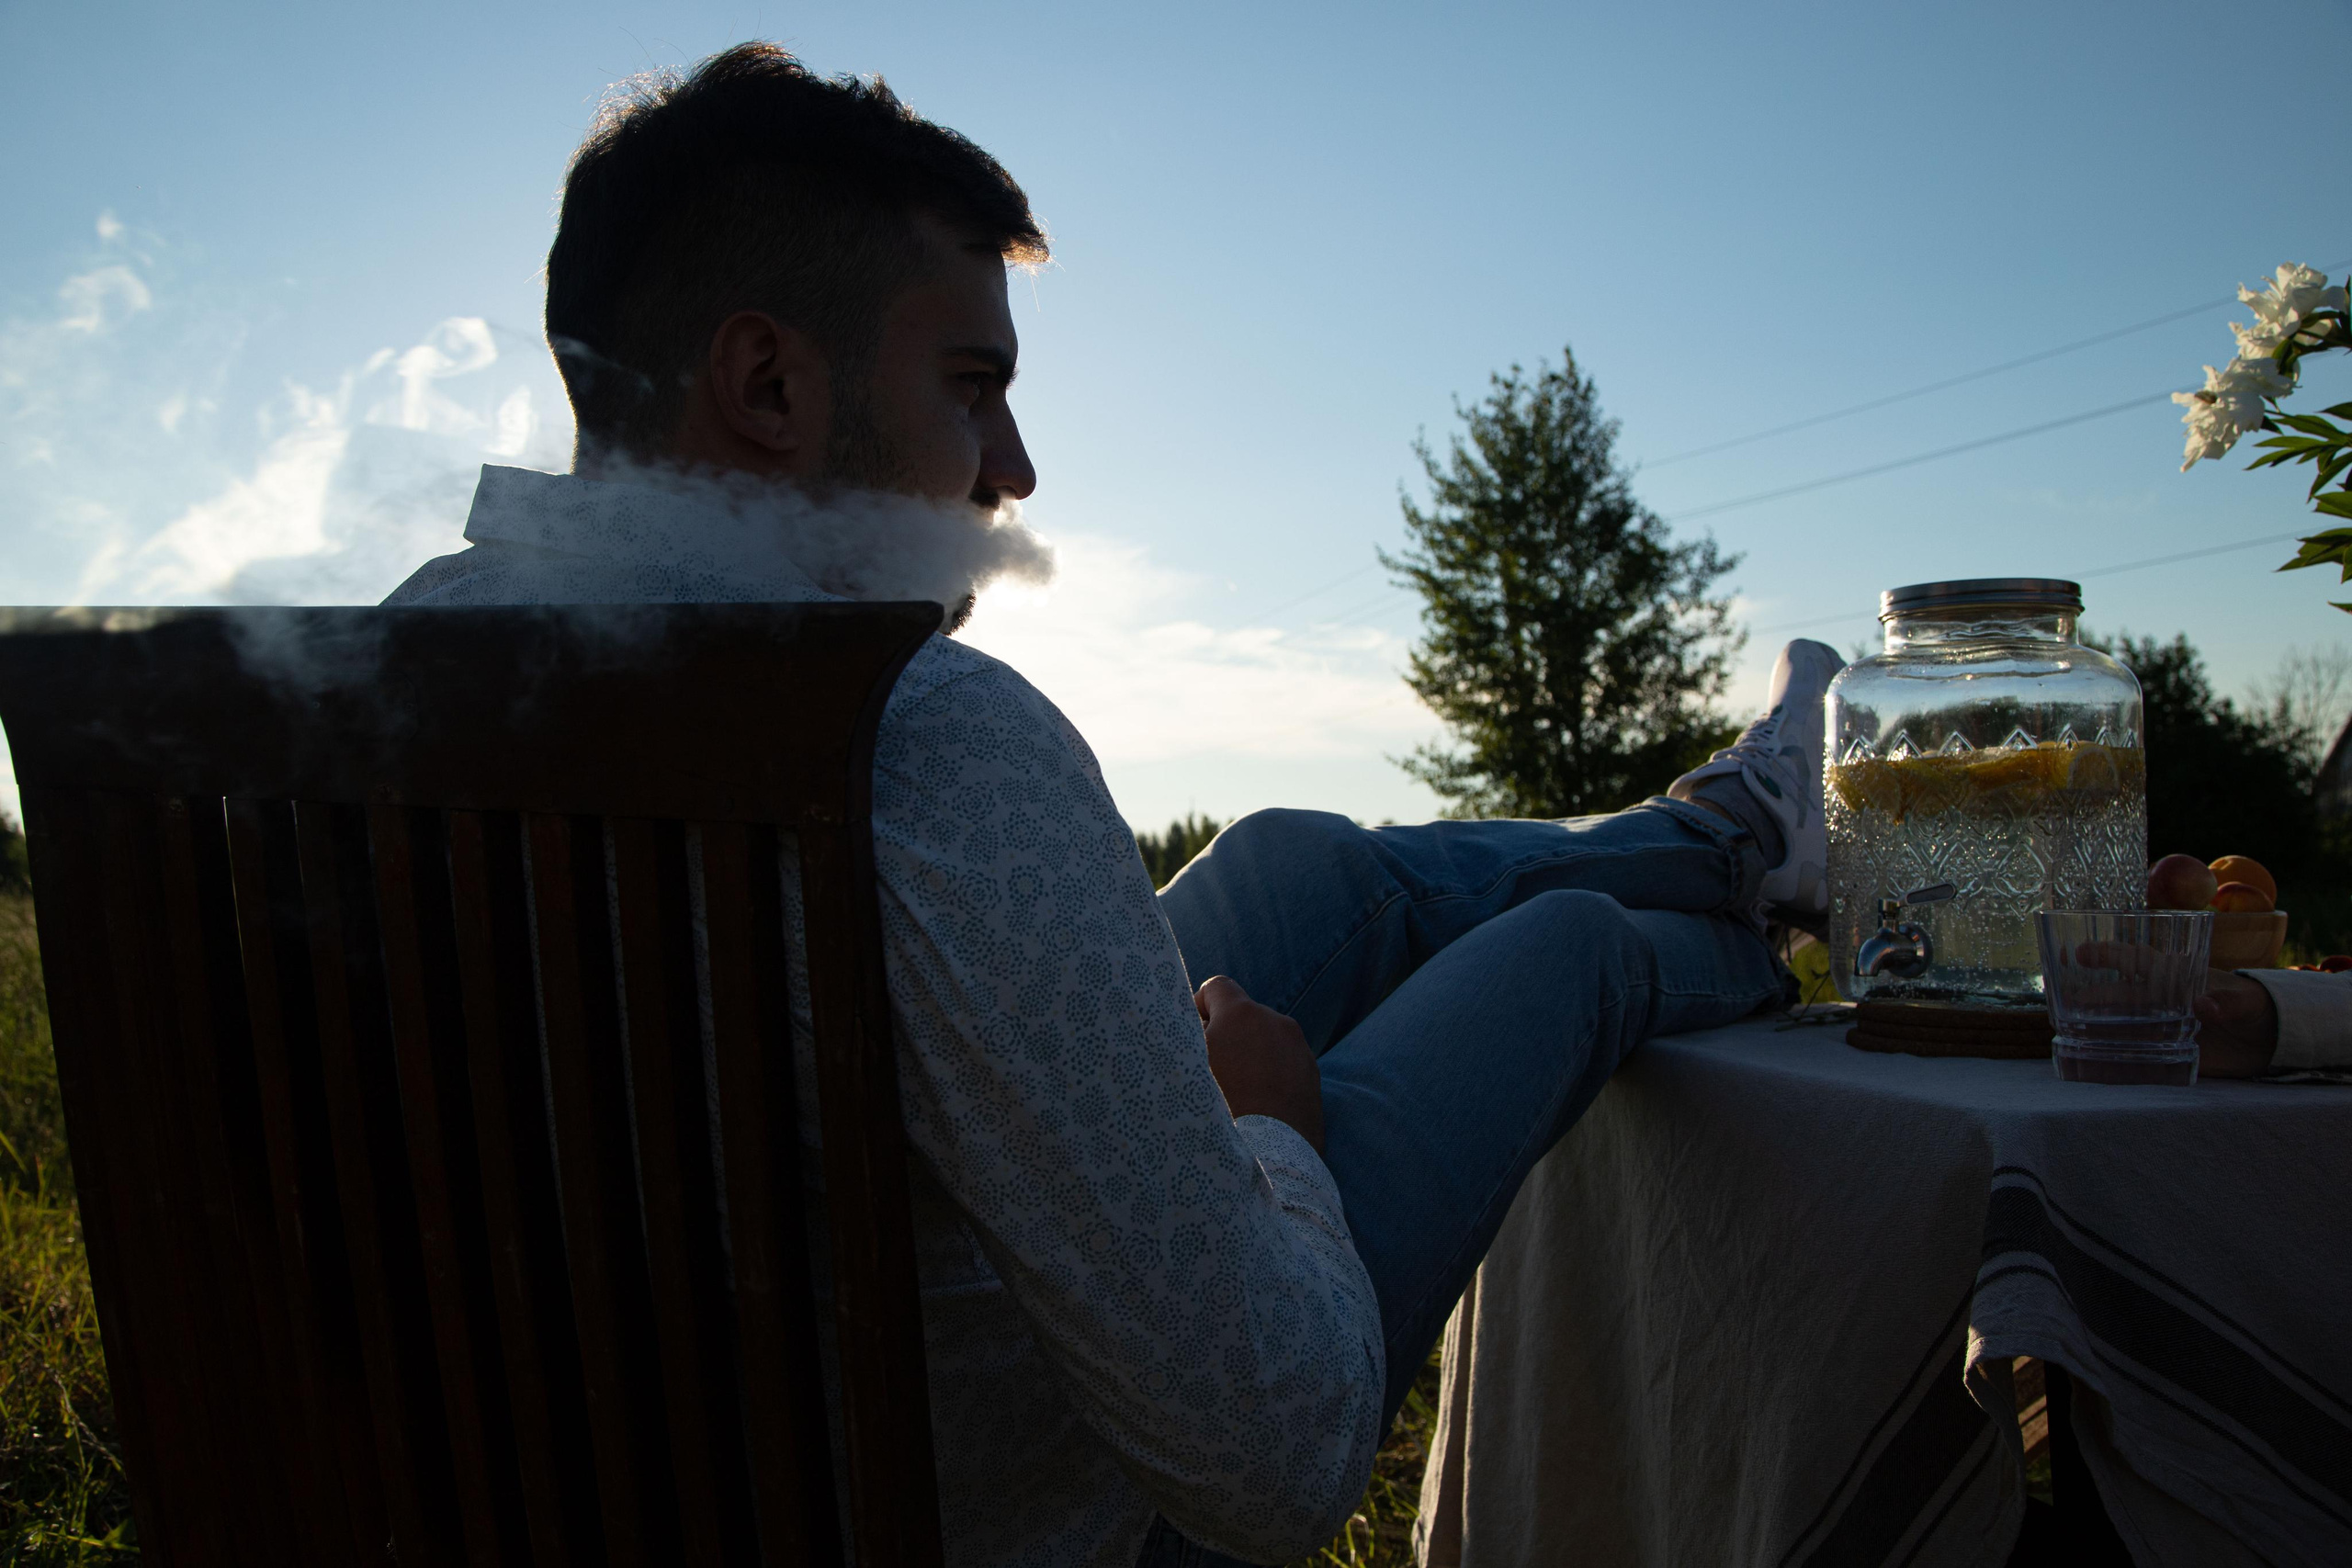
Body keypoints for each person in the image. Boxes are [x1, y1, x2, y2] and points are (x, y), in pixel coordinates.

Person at [381, 43, 2342, 1568]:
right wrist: (1264, 1149)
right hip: (1015, 1502)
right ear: (766, 382)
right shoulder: (917, 745)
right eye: (973, 381)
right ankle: (1768, 894)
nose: (1016, 463)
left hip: (729, 1392)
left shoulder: (389, 684)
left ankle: (1750, 835)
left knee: (1307, 868)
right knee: (1571, 951)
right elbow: (1270, 1449)